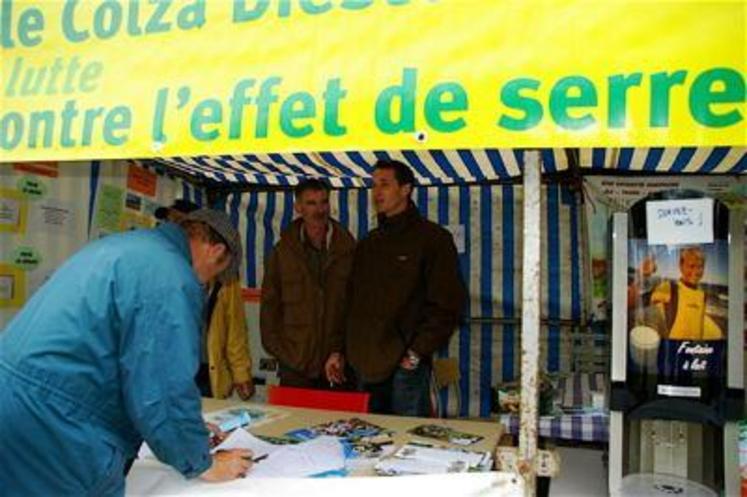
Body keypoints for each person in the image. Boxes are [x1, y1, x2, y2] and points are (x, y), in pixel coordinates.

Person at [0, 209, 253, 496]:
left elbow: (123, 364)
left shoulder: (128, 246)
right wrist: (201, 461)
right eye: (215, 275)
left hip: (20, 401)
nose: (205, 285)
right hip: (58, 424)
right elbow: (161, 388)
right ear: (215, 251)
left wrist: (188, 427)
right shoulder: (170, 274)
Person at [345, 160, 466, 416]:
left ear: (406, 189)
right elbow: (351, 301)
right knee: (367, 443)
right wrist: (347, 352)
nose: (377, 192)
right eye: (373, 185)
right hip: (364, 368)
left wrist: (415, 353)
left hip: (405, 369)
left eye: (385, 184)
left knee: (406, 444)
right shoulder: (368, 244)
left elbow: (448, 304)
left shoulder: (433, 239)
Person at [260, 179, 356, 388]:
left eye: (323, 202)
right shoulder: (282, 252)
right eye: (311, 203)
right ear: (298, 207)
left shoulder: (349, 250)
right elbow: (269, 308)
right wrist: (287, 355)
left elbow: (357, 307)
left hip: (338, 366)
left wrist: (342, 352)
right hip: (295, 368)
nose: (319, 209)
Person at [156, 200, 254, 400]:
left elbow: (235, 328)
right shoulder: (161, 270)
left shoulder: (221, 281)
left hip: (204, 370)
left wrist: (241, 372)